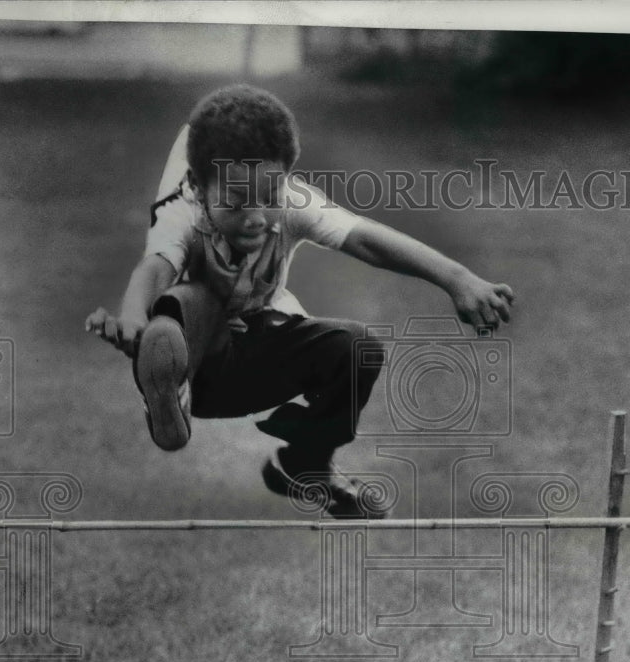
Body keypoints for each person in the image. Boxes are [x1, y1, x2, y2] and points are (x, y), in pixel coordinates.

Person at [85, 85, 514, 518]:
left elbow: (365, 239)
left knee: (356, 345)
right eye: (235, 204)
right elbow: (155, 266)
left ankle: (305, 464)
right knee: (193, 299)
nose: (255, 217)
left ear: (285, 180)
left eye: (269, 199)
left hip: (256, 356)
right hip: (199, 368)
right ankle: (166, 391)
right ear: (198, 186)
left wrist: (457, 279)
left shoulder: (293, 201)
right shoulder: (183, 210)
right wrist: (134, 318)